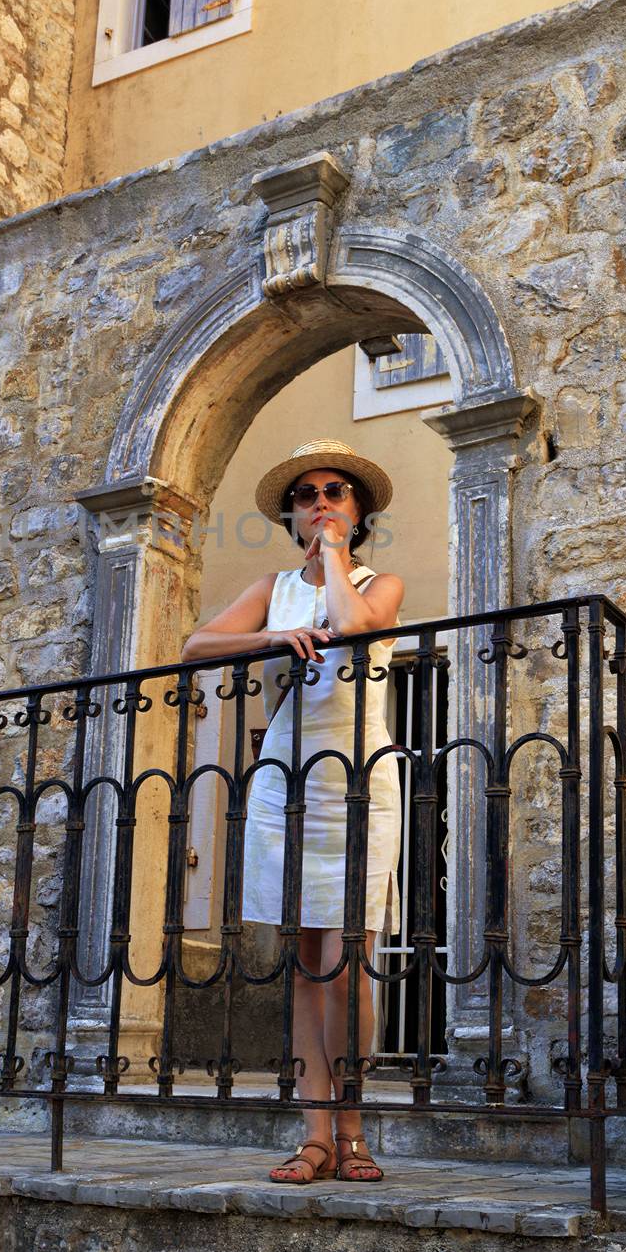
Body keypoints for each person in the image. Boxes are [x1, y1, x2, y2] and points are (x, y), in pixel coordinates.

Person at [181, 439, 404, 1185]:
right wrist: (273, 634)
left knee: (350, 963)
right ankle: (313, 1136)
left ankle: (353, 1126)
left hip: (359, 777)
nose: (318, 503)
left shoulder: (381, 580)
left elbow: (355, 627)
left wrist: (334, 558)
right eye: (306, 494)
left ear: (357, 510)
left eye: (334, 492)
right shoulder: (272, 586)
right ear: (292, 513)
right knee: (308, 964)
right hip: (286, 775)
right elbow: (195, 645)